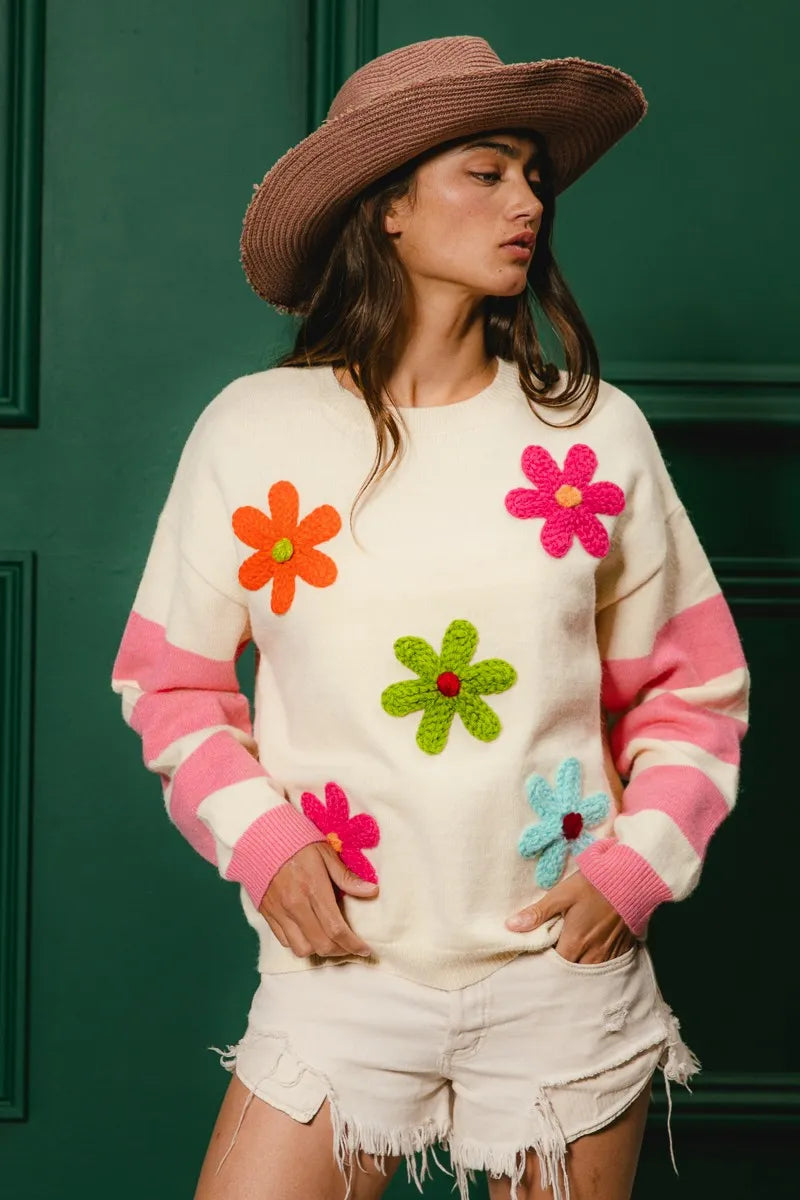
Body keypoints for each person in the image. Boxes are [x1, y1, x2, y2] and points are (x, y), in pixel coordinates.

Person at [110, 35, 751, 1200]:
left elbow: (692, 692)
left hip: (559, 974)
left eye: (534, 178)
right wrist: (264, 839)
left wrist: (633, 870)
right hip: (342, 972)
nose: (528, 202)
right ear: (387, 205)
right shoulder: (254, 433)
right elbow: (171, 683)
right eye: (486, 170)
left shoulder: (593, 438)